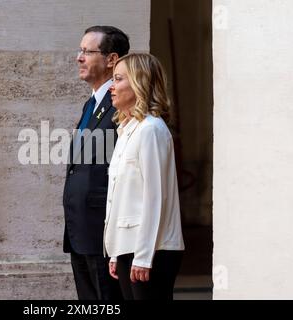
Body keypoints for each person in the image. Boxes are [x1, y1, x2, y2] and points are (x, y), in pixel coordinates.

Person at [104, 53, 185, 300]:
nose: (111, 86)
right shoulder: (127, 130)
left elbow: (154, 196)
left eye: (118, 79)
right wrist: (117, 251)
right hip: (130, 246)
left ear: (139, 82)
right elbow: (121, 199)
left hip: (153, 250)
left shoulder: (151, 129)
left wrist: (143, 256)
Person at [63, 26, 130, 300]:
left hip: (102, 232)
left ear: (111, 59)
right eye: (80, 50)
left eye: (87, 51)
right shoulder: (91, 104)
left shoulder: (121, 105)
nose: (79, 57)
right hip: (80, 230)